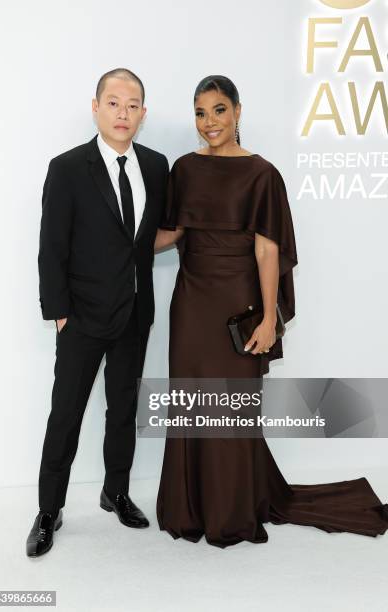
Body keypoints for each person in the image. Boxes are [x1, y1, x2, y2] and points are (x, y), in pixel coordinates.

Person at [154, 75, 388, 548]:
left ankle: (230, 511)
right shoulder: (183, 169)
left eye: (219, 110)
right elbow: (171, 233)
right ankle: (189, 509)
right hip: (192, 304)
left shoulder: (262, 174)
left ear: (238, 111)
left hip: (236, 305)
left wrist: (266, 317)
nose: (209, 122)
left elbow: (267, 252)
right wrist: (116, 239)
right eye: (200, 113)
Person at [27, 68, 169, 557]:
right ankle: (49, 510)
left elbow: (148, 237)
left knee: (123, 409)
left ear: (143, 114)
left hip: (135, 314)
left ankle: (117, 491)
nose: (123, 113)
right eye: (113, 103)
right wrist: (60, 313)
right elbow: (51, 249)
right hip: (82, 317)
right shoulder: (67, 168)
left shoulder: (156, 165)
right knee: (64, 414)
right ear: (96, 107)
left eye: (132, 105)